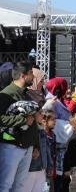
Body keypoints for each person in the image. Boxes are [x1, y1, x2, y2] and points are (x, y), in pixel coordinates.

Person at [0, 61, 38, 192]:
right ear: (23, 75)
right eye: (31, 73)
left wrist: (35, 145)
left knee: (20, 186)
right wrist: (22, 120)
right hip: (11, 146)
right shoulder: (7, 94)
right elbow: (1, 119)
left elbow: (33, 122)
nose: (33, 76)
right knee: (5, 184)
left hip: (27, 146)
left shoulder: (26, 94)